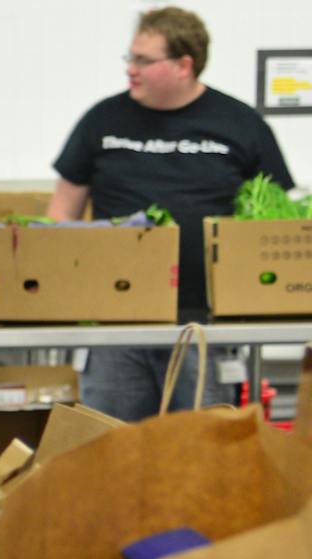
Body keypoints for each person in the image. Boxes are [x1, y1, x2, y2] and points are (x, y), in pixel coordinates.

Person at [48, 6, 295, 419]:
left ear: (184, 65)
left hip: (206, 325)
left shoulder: (240, 124)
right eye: (130, 57)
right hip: (115, 324)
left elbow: (276, 225)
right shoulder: (102, 121)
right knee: (110, 452)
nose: (131, 70)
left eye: (144, 60)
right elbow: (59, 218)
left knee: (203, 455)